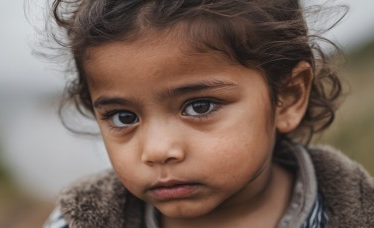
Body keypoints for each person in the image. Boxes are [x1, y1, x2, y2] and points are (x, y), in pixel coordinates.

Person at [43, 0, 374, 227]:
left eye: (199, 107)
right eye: (123, 117)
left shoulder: (356, 212)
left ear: (287, 97)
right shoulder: (76, 221)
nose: (156, 151)